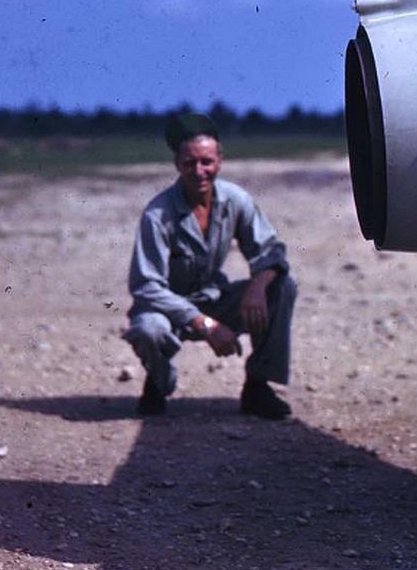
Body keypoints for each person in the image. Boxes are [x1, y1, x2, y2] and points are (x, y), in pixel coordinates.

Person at [123, 113, 298, 419]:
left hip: (214, 299)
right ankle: (159, 382)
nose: (199, 171)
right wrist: (206, 326)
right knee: (148, 329)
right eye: (190, 163)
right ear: (177, 164)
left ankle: (258, 387)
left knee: (281, 286)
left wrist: (257, 287)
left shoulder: (236, 200)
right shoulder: (157, 215)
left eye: (207, 161)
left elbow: (271, 252)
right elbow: (146, 286)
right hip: (168, 308)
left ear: (220, 160)